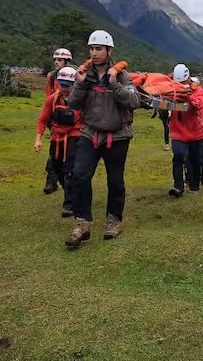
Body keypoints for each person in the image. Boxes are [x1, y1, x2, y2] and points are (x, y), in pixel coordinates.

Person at [65, 30, 140, 248]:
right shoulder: (85, 76)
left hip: (117, 137)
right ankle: (82, 223)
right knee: (79, 175)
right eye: (91, 49)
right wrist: (78, 84)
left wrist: (114, 85)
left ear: (109, 51)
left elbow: (134, 101)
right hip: (90, 133)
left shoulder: (122, 75)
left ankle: (114, 220)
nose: (94, 53)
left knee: (115, 180)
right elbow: (73, 104)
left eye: (99, 49)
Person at [35, 66, 82, 218]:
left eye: (67, 85)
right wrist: (38, 139)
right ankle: (71, 194)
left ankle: (69, 203)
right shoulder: (52, 100)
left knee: (69, 170)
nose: (64, 88)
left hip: (74, 137)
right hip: (57, 138)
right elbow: (43, 119)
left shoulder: (81, 100)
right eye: (61, 85)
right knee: (57, 168)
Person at [167, 65, 203, 197]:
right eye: (179, 83)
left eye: (183, 82)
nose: (181, 85)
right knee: (178, 156)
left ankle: (194, 186)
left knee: (195, 160)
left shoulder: (198, 91)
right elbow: (163, 104)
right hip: (178, 132)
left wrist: (187, 96)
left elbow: (197, 106)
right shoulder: (171, 89)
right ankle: (178, 187)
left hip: (195, 133)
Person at [43, 47, 73, 194]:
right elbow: (48, 96)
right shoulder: (51, 76)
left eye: (60, 60)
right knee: (54, 151)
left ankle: (63, 180)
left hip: (73, 119)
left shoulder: (75, 75)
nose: (56, 62)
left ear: (67, 62)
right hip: (57, 116)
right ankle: (52, 179)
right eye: (55, 59)